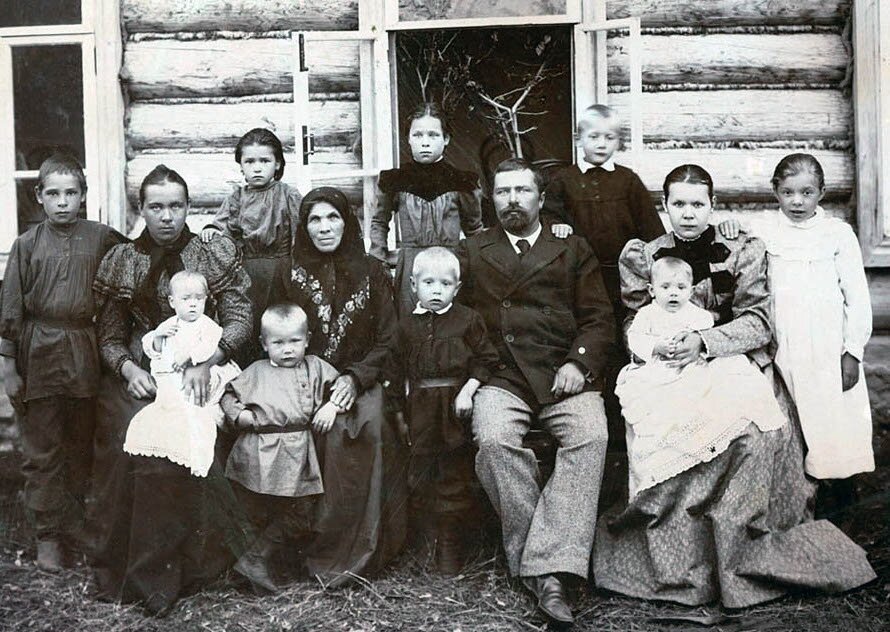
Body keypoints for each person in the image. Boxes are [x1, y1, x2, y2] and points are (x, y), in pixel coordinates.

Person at [594, 164, 876, 608]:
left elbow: (758, 321)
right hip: (665, 370)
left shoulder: (740, 249)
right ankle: (680, 552)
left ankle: (742, 541)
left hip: (730, 361)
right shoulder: (645, 256)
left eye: (697, 204)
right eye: (678, 204)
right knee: (667, 432)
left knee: (760, 435)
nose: (688, 213)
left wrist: (705, 342)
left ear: (713, 205)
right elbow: (633, 319)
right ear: (665, 206)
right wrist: (658, 345)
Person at [90, 164, 254, 615]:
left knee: (194, 434)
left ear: (188, 208)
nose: (167, 217)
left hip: (203, 367)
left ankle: (194, 566)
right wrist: (128, 370)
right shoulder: (122, 259)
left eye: (176, 206)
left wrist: (208, 361)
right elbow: (109, 336)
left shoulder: (211, 252)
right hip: (142, 375)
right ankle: (137, 571)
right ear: (141, 209)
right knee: (132, 437)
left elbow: (240, 319)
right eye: (156, 207)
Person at [460, 158, 615, 626]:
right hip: (501, 374)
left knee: (591, 436)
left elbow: (599, 318)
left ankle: (541, 566)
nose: (512, 200)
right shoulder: (473, 250)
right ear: (491, 199)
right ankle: (550, 570)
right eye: (503, 192)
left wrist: (579, 362)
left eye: (522, 191)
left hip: (564, 371)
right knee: (494, 440)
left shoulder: (571, 247)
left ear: (541, 198)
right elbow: (459, 321)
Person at [718, 154, 874, 516]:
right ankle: (802, 495)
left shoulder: (837, 234)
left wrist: (852, 351)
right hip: (784, 346)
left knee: (834, 417)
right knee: (795, 418)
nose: (797, 201)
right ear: (775, 191)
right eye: (788, 192)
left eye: (807, 192)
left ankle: (842, 492)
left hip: (827, 346)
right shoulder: (765, 231)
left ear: (822, 192)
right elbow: (734, 239)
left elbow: (857, 297)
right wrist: (728, 224)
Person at [270, 186, 406, 586]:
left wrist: (355, 378)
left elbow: (389, 338)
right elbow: (276, 331)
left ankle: (358, 550)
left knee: (368, 427)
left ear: (347, 223)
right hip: (302, 378)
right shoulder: (287, 271)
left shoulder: (373, 271)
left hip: (361, 378)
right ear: (304, 226)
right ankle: (300, 550)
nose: (324, 227)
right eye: (314, 219)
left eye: (333, 217)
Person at [0, 153, 124, 570]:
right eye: (53, 194)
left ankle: (78, 529)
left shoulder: (101, 238)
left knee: (80, 442)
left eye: (71, 193)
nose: (62, 202)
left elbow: (135, 260)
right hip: (38, 350)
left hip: (84, 348)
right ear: (38, 196)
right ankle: (48, 536)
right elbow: (11, 309)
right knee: (43, 445)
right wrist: (8, 368)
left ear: (84, 195)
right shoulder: (26, 245)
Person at [542, 104, 666, 452]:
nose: (601, 143)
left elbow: (653, 234)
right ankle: (590, 436)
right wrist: (557, 226)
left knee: (623, 353)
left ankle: (623, 444)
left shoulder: (627, 181)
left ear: (618, 142)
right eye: (594, 136)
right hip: (579, 284)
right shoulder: (563, 181)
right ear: (578, 138)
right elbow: (549, 223)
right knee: (591, 349)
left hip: (623, 284)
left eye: (609, 137)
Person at [615, 256, 785, 499]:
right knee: (656, 412)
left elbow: (708, 324)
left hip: (689, 369)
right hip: (657, 370)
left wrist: (698, 336)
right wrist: (655, 346)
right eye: (665, 288)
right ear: (652, 291)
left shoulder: (693, 312)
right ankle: (662, 486)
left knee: (707, 392)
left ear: (691, 291)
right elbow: (635, 338)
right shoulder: (647, 314)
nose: (673, 294)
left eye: (681, 288)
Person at [388, 246, 499, 575]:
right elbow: (393, 372)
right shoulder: (405, 327)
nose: (436, 291)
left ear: (457, 287)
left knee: (454, 473)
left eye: (445, 284)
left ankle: (451, 542)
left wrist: (468, 391)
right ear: (413, 285)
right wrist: (399, 415)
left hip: (454, 409)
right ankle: (427, 539)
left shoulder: (467, 320)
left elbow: (487, 359)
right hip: (420, 410)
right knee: (421, 473)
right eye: (428, 283)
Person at [220, 304, 343, 593]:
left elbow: (340, 386)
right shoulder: (256, 371)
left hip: (298, 451)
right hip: (259, 451)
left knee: (301, 514)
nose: (287, 350)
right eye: (278, 343)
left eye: (294, 341)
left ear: (307, 339)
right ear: (264, 344)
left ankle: (256, 559)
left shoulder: (315, 367)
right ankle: (249, 565)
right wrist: (240, 416)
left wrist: (332, 406)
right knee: (257, 510)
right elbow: (228, 395)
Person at [123, 271, 240, 477]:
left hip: (199, 371)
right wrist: (158, 336)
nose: (193, 304)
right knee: (165, 406)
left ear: (206, 300)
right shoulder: (170, 324)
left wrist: (190, 356)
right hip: (170, 374)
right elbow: (152, 348)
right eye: (186, 299)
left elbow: (211, 344)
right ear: (172, 302)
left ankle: (194, 449)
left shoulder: (207, 325)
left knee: (194, 407)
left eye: (199, 299)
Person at [370, 103, 483, 315]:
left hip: (450, 267)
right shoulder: (395, 180)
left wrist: (476, 267)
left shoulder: (462, 181)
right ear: (408, 138)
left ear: (446, 139)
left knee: (451, 323)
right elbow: (379, 222)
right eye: (418, 135)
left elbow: (474, 230)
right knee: (412, 323)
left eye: (433, 135)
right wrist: (378, 261)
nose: (425, 142)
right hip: (411, 269)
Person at [201, 128, 302, 364]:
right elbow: (222, 228)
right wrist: (211, 229)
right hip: (245, 275)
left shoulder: (288, 195)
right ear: (241, 166)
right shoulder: (237, 197)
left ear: (277, 164)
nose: (257, 168)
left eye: (265, 161)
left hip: (281, 272)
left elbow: (300, 237)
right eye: (250, 162)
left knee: (279, 326)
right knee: (248, 326)